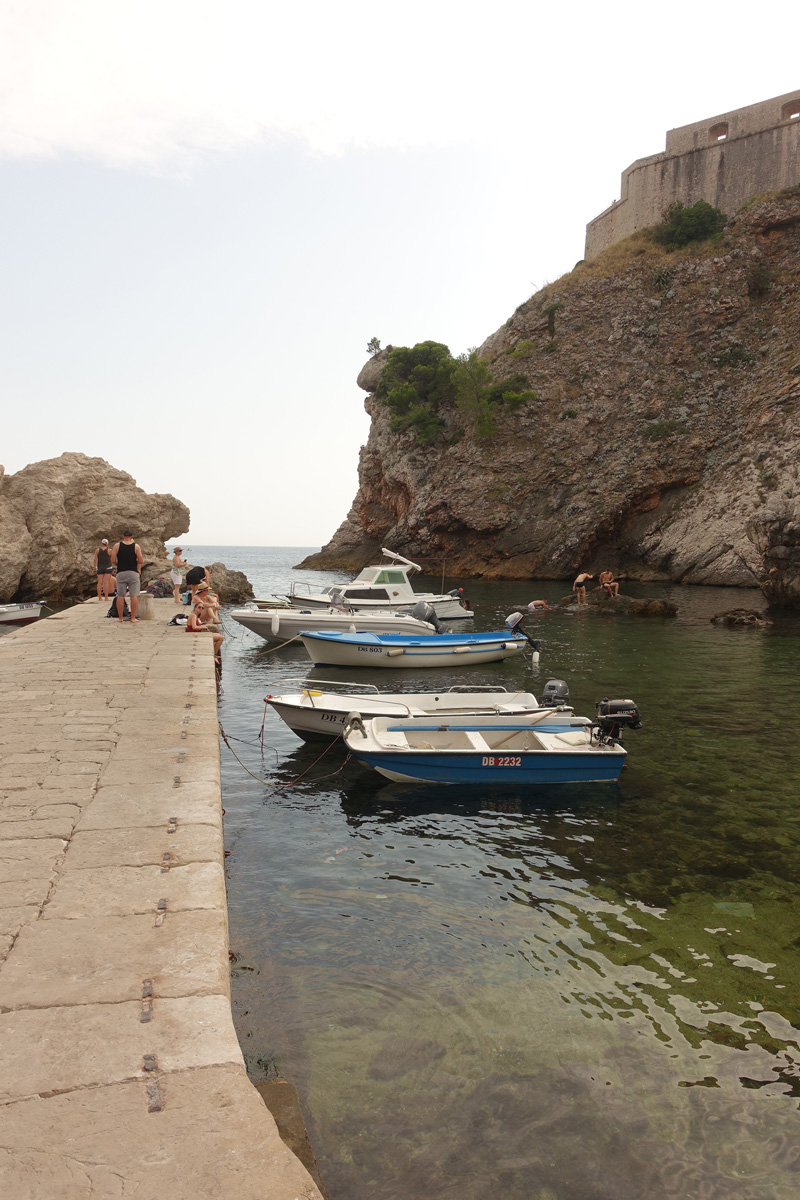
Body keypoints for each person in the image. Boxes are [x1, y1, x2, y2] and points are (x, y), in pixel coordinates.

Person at [111, 530, 144, 623]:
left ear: (122, 536)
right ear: (132, 537)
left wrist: (118, 564)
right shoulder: (136, 546)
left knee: (120, 595)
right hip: (133, 572)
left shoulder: (117, 546)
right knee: (134, 595)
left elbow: (113, 560)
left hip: (121, 572)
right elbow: (141, 560)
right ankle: (133, 618)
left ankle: (120, 618)